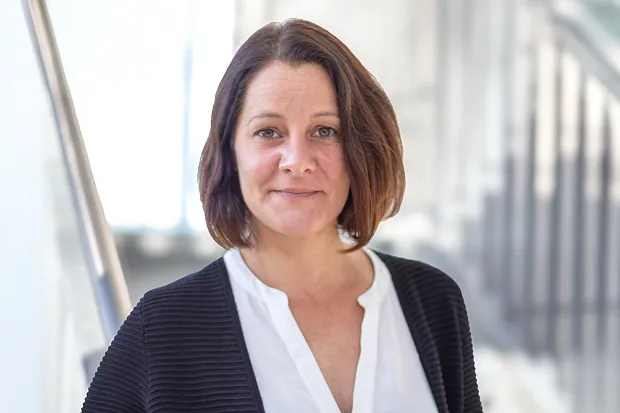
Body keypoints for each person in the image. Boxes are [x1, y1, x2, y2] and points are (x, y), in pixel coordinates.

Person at [81, 18, 482, 413]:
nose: (297, 161)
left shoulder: (433, 302)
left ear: (361, 147)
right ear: (230, 152)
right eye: (269, 132)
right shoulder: (164, 329)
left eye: (325, 131)